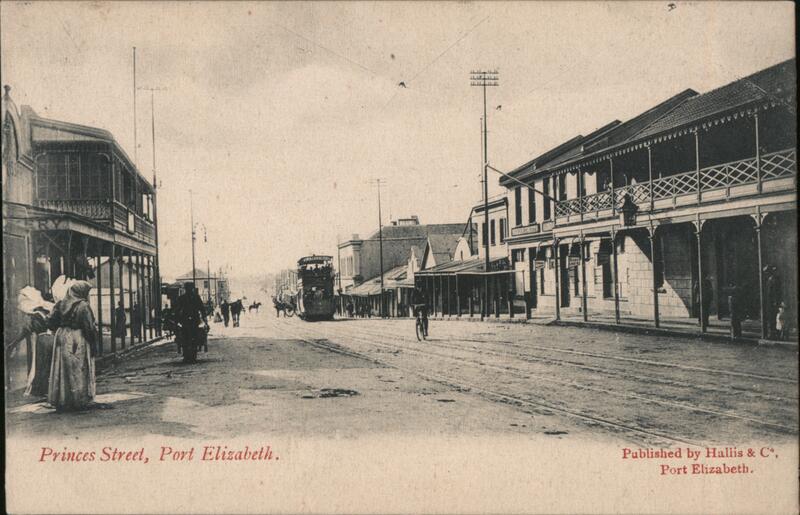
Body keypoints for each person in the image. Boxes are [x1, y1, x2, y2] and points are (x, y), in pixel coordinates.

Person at [46, 281, 98, 411]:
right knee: (78, 367)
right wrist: (93, 344)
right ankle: (78, 400)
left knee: (62, 367)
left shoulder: (60, 304)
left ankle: (63, 399)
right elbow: (89, 327)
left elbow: (51, 322)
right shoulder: (83, 306)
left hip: (61, 336)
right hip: (77, 336)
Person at [173, 282, 209, 352]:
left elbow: (177, 310)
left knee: (183, 333)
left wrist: (176, 320)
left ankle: (185, 345)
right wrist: (205, 319)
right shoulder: (196, 297)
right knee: (193, 333)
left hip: (186, 320)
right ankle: (191, 345)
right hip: (193, 320)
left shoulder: (182, 298)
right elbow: (202, 309)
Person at [764, 265, 782, 339]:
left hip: (772, 302)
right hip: (769, 302)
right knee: (771, 318)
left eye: (767, 272)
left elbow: (775, 292)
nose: (766, 274)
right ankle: (773, 334)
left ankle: (773, 334)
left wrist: (775, 302)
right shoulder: (770, 279)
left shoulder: (774, 280)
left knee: (773, 318)